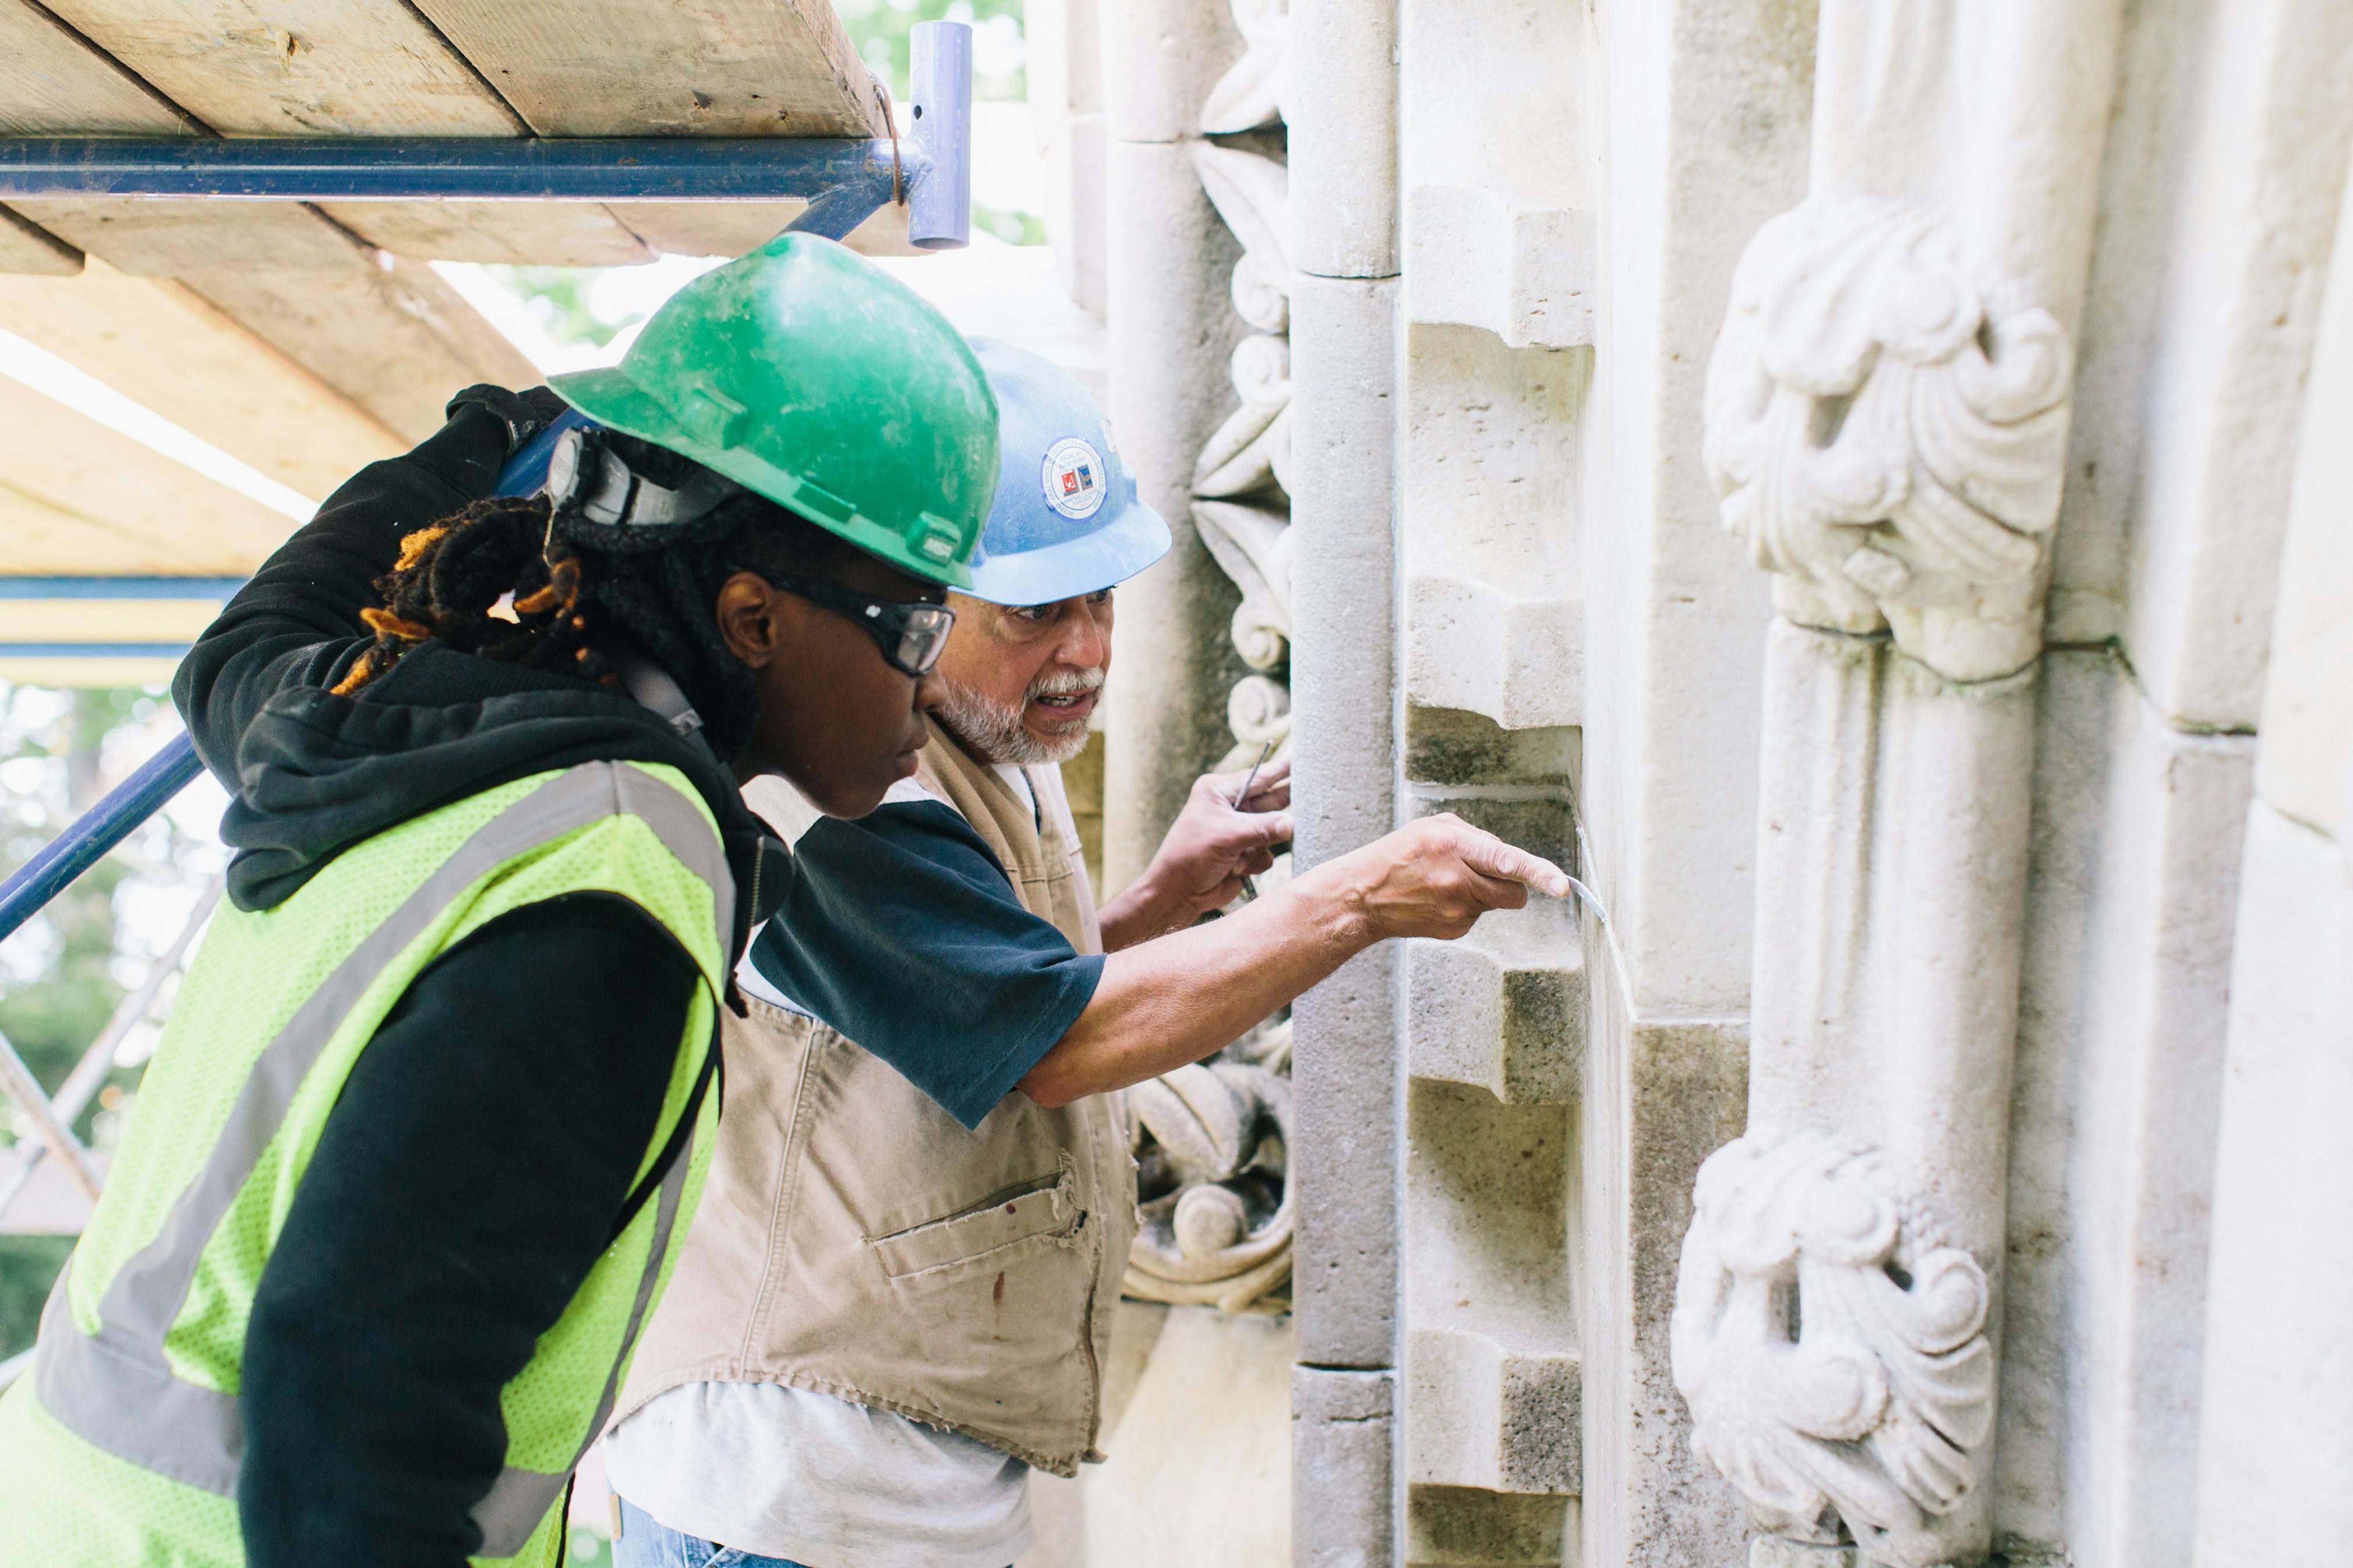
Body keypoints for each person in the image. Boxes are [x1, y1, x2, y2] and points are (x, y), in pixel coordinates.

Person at [0, 234, 1000, 1568]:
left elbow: (251, 637)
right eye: (915, 629)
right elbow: (356, 1403)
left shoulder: (404, 743)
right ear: (755, 619)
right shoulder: (606, 895)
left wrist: (542, 428)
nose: (933, 691)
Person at [600, 340, 1571, 1568]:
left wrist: (1159, 898)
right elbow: (1050, 1043)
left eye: (1101, 598)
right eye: (1032, 612)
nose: (1084, 651)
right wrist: (1357, 901)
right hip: (786, 1492)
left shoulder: (984, 722)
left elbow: (948, 1004)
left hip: (908, 1476)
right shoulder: (822, 787)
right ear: (902, 597)